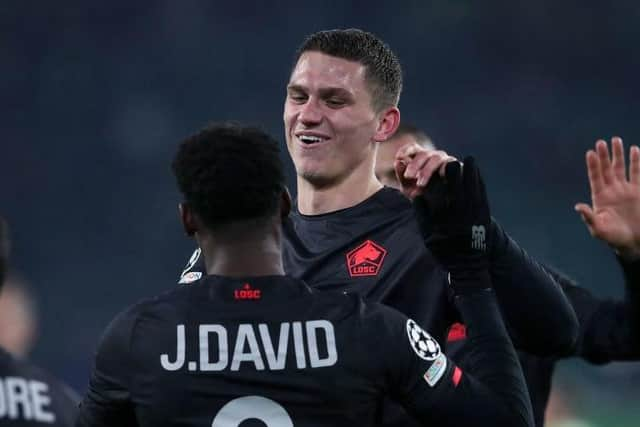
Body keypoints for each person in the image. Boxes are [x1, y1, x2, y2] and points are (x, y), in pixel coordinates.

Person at [179, 29, 578, 426]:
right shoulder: (249, 239)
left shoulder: (427, 233)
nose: (308, 114)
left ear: (384, 124)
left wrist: (481, 231)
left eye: (334, 100)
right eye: (298, 96)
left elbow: (556, 332)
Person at [77, 123, 534, 426]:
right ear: (283, 205)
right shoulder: (367, 329)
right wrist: (470, 269)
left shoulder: (137, 339)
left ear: (187, 219)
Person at [381, 128, 640, 426]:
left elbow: (626, 336)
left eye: (418, 173)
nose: (402, 188)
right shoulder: (347, 292)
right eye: (384, 179)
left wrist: (636, 255)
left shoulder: (514, 284)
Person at [0, 217, 78, 426]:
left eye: (8, 321)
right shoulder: (59, 400)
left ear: (28, 328)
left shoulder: (62, 400)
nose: (3, 331)